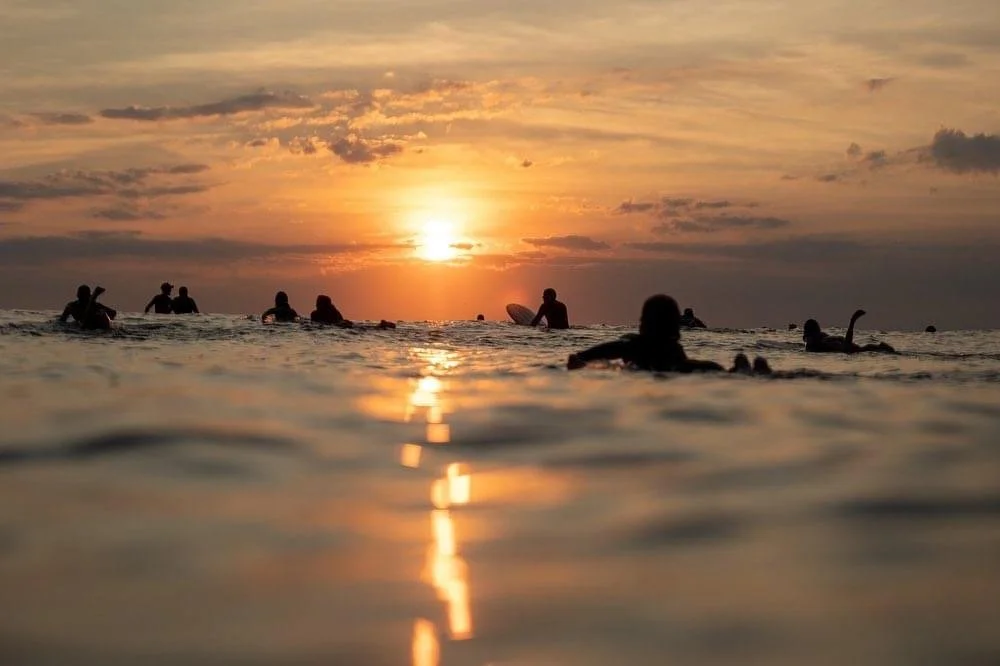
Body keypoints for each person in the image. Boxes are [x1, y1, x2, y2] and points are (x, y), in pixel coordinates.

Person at [567, 294, 770, 373]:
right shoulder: (679, 352)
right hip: (685, 368)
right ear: (676, 328)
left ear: (643, 324)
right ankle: (744, 371)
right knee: (719, 371)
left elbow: (583, 357)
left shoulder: (633, 346)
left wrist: (577, 360)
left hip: (674, 368)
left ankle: (743, 372)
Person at [802, 309, 895, 353]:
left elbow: (846, 347)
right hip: (852, 349)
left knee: (869, 347)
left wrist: (852, 322)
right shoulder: (819, 344)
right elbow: (847, 347)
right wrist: (852, 322)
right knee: (868, 348)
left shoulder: (821, 340)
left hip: (851, 348)